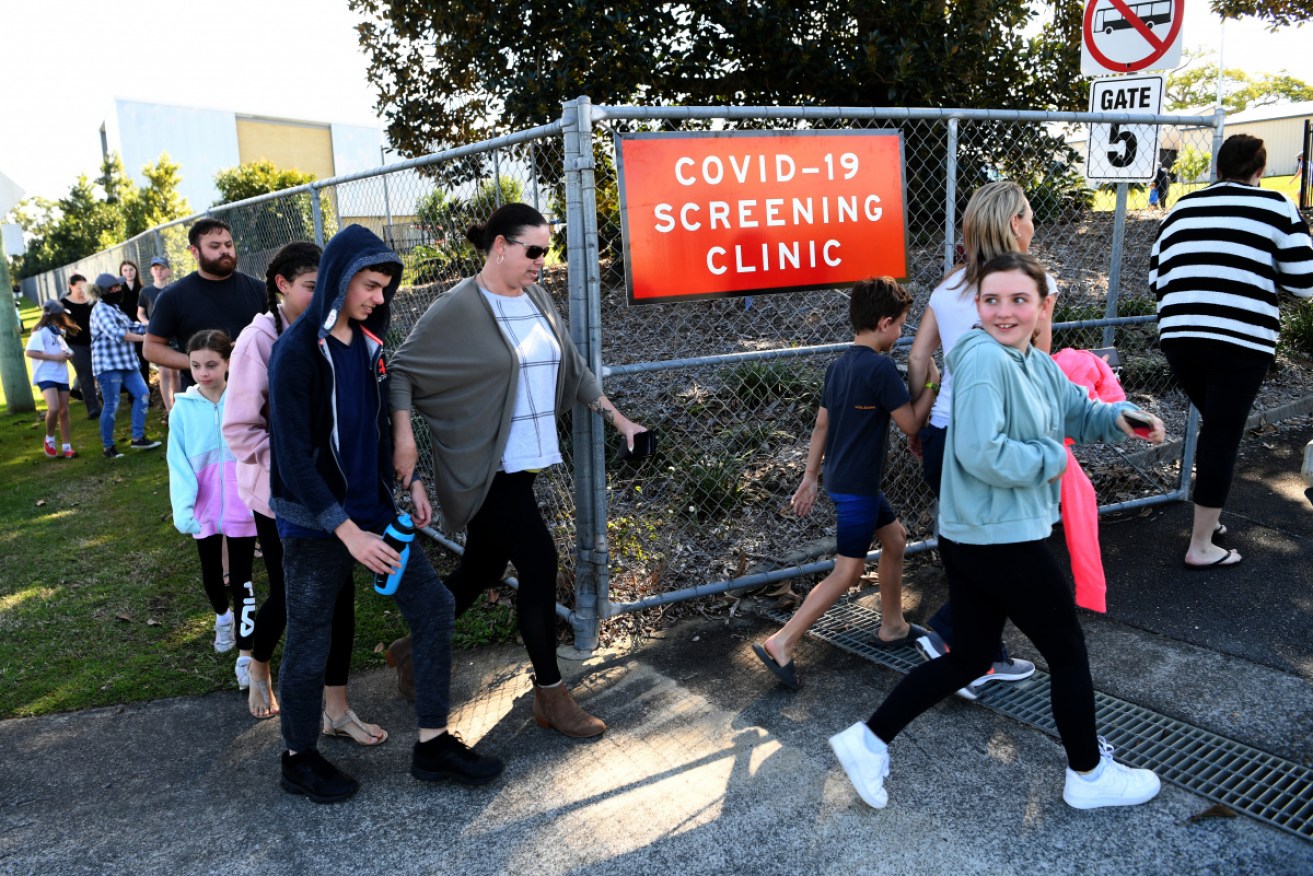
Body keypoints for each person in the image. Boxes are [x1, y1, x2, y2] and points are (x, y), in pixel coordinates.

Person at [829, 252, 1166, 813]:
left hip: (980, 535)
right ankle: (1086, 773)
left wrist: (1121, 418)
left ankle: (867, 741)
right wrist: (1051, 460)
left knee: (970, 656)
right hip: (999, 537)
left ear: (1041, 306)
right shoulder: (985, 361)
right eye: (992, 300)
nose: (1004, 311)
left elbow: (1077, 409)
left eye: (1018, 300)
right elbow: (981, 453)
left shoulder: (1032, 361)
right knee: (1068, 652)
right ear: (978, 305)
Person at [389, 202, 647, 738]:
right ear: (500, 246)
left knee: (483, 566)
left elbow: (572, 368)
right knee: (539, 562)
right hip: (486, 466)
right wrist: (405, 437)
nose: (541, 261)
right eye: (533, 251)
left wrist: (621, 420)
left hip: (524, 462)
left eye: (546, 252)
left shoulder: (537, 298)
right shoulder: (458, 307)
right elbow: (401, 371)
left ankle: (413, 648)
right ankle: (550, 696)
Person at [269, 224, 502, 803]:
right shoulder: (296, 350)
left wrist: (412, 481)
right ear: (340, 280)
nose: (379, 298)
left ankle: (431, 744)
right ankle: (298, 759)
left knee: (434, 607)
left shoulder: (370, 348)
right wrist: (345, 532)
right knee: (309, 640)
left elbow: (374, 434)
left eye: (383, 288)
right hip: (316, 522)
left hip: (374, 514)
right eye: (370, 286)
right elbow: (293, 459)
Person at [751, 277, 936, 690]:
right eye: (902, 325)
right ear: (885, 322)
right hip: (858, 488)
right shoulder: (881, 368)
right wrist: (931, 385)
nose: (903, 333)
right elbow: (910, 422)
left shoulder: (839, 365)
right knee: (847, 571)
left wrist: (811, 477)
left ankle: (892, 626)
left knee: (895, 539)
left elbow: (821, 424)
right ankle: (782, 641)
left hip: (843, 478)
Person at [905, 180, 1048, 698]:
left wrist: (920, 421)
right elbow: (1039, 363)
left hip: (944, 434)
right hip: (994, 440)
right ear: (1013, 224)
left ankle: (981, 653)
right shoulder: (1028, 282)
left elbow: (919, 359)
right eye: (1029, 216)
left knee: (978, 552)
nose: (1034, 225)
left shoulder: (947, 288)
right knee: (1016, 554)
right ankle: (954, 637)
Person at [225, 242, 375, 726]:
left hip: (334, 493)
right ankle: (259, 662)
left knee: (342, 595)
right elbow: (240, 430)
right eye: (311, 287)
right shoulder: (259, 340)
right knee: (292, 598)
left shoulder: (341, 331)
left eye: (327, 286)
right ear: (281, 286)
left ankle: (336, 709)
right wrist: (297, 474)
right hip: (280, 497)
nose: (322, 296)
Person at [1150, 133, 1313, 569]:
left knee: (1216, 427)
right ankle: (1201, 546)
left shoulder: (1182, 207)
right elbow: (1305, 282)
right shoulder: (1277, 206)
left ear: (1218, 168)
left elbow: (1155, 278)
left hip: (1180, 335)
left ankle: (1211, 520)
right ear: (1259, 171)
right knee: (1223, 433)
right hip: (1241, 340)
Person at [168, 330, 259, 689]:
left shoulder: (245, 398)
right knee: (212, 575)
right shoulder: (183, 409)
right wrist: (184, 507)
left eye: (211, 365)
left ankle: (246, 654)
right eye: (195, 366)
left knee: (243, 579)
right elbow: (177, 462)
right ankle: (223, 617)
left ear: (227, 363)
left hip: (244, 505)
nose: (203, 373)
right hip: (202, 509)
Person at [144, 219, 266, 391]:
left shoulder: (259, 290)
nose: (224, 250)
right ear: (195, 252)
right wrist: (202, 364)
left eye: (228, 244)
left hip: (256, 393)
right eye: (215, 246)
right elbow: (151, 348)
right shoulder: (173, 296)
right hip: (202, 400)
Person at [89, 273, 161, 458]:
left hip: (127, 363)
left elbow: (131, 326)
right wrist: (144, 338)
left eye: (119, 287)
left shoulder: (114, 308)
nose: (119, 290)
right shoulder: (101, 310)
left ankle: (137, 438)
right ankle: (108, 447)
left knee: (143, 394)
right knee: (112, 404)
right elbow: (117, 333)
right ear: (104, 291)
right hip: (108, 365)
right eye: (114, 287)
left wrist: (152, 326)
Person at [25, 300, 78, 458]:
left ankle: (67, 447)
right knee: (53, 408)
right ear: (55, 315)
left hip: (61, 375)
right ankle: (49, 439)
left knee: (64, 411)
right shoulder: (40, 332)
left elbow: (65, 349)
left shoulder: (57, 332)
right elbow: (30, 352)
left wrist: (68, 354)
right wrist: (54, 357)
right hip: (45, 375)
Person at [138, 256, 178, 414]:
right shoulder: (146, 291)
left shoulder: (175, 288)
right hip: (158, 335)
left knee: (176, 371)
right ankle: (170, 410)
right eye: (156, 269)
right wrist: (148, 323)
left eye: (162, 268)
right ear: (151, 271)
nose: (159, 272)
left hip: (175, 334)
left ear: (168, 270)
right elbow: (140, 313)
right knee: (165, 371)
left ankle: (179, 404)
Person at [60, 274, 100, 420]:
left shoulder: (92, 301)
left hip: (95, 342)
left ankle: (107, 403)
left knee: (100, 373)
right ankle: (93, 410)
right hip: (75, 345)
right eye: (79, 287)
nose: (82, 290)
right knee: (86, 375)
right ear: (71, 286)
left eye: (84, 287)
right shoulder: (64, 304)